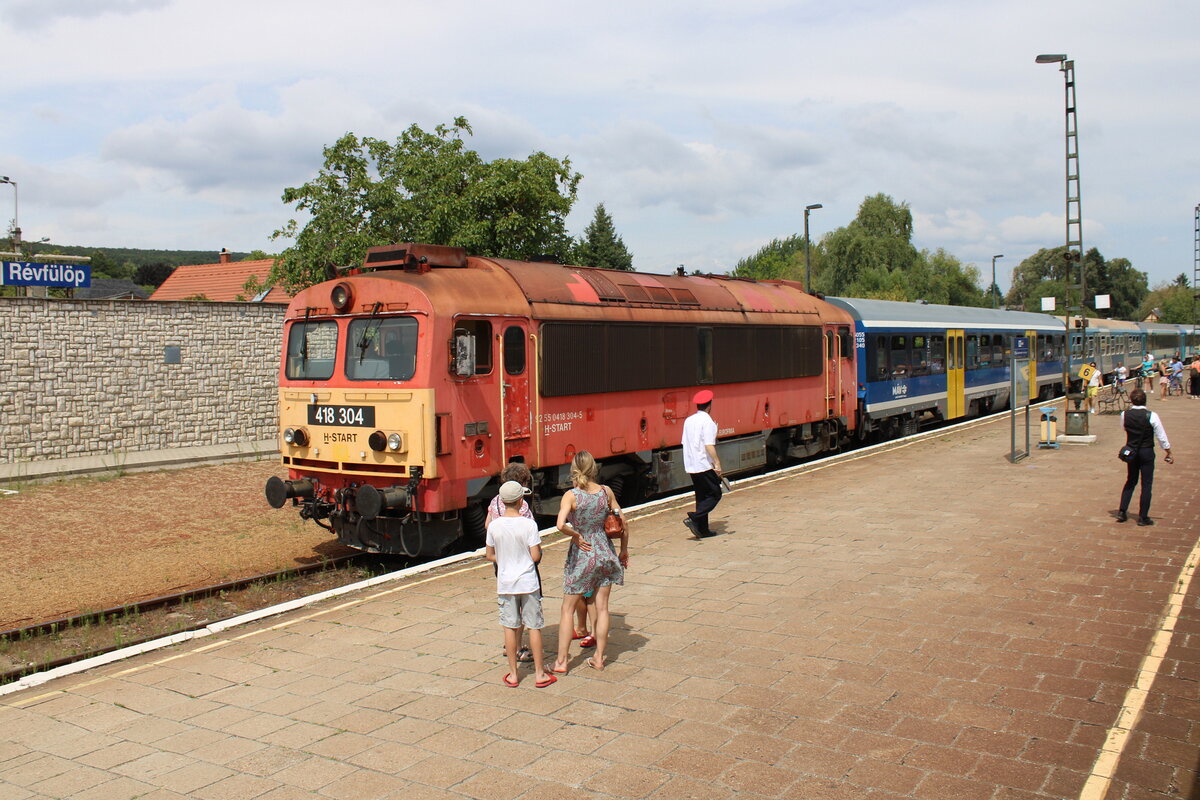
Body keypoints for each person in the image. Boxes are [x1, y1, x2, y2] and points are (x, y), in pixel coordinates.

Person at [552, 451, 628, 673]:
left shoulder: (571, 495)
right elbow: (622, 520)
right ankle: (599, 658)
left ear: (574, 470)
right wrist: (623, 551)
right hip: (605, 551)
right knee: (602, 608)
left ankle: (562, 662)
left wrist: (576, 535)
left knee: (567, 609)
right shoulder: (606, 492)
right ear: (594, 468)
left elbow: (560, 524)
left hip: (582, 555)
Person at [486, 480, 555, 688]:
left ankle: (514, 674)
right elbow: (535, 555)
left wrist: (505, 559)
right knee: (534, 627)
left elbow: (490, 555)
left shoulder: (494, 525)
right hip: (528, 582)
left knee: (510, 626)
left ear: (502, 501)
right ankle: (540, 674)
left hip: (505, 583)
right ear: (520, 500)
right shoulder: (529, 524)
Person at [487, 462, 537, 663]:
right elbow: (530, 536)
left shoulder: (495, 502)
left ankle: (508, 645)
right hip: (523, 564)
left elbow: (487, 525)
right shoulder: (522, 507)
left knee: (508, 606)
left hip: (502, 561)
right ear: (523, 484)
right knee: (524, 607)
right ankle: (518, 645)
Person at [1116, 388, 1173, 526]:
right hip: (1147, 451)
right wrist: (1168, 451)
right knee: (1146, 484)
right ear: (1145, 400)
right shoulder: (1152, 416)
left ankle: (1122, 511)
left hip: (1132, 451)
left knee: (1130, 480)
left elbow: (1124, 428)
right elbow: (1161, 436)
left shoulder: (1125, 414)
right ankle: (1143, 517)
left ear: (1131, 400)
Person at [682, 389, 722, 538]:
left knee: (702, 497)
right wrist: (717, 463)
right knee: (715, 494)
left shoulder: (689, 420)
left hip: (691, 464)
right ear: (709, 406)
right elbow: (709, 445)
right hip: (704, 464)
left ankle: (703, 530)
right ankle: (695, 517)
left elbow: (685, 442)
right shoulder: (708, 422)